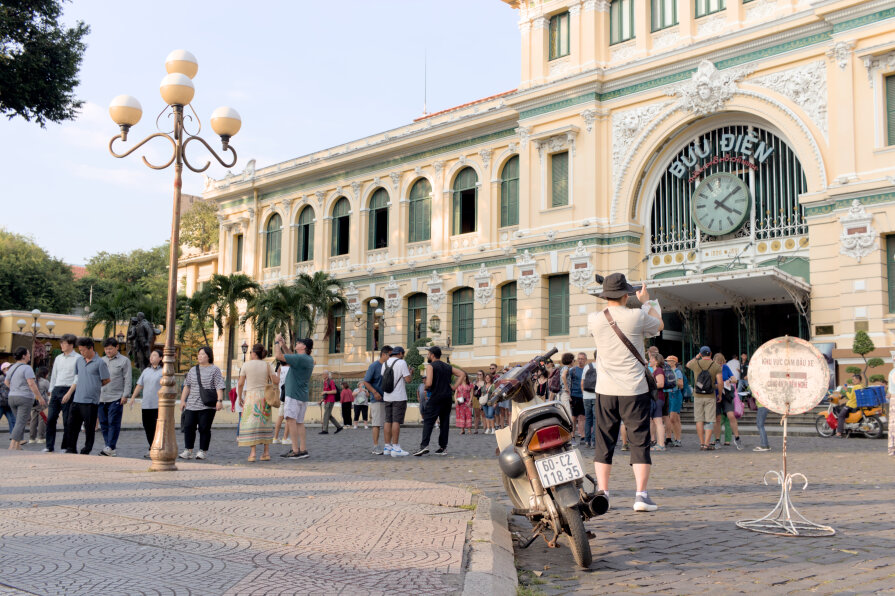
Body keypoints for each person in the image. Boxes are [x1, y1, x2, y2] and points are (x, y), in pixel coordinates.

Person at [589, 273, 663, 512]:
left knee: (604, 441)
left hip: (605, 389)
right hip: (634, 389)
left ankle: (603, 493)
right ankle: (641, 496)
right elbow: (659, 325)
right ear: (626, 294)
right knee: (639, 441)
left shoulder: (594, 319)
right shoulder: (637, 315)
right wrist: (647, 302)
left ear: (605, 295)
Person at [61, 337, 111, 454]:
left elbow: (106, 380)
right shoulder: (79, 361)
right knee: (72, 426)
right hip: (77, 399)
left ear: (90, 348)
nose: (81, 353)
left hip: (90, 401)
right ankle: (71, 448)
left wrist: (94, 385)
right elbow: (77, 377)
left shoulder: (100, 363)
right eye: (80, 350)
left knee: (89, 428)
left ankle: (86, 449)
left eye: (83, 350)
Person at [414, 346, 464, 456]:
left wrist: (426, 387)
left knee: (428, 421)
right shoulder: (447, 366)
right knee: (444, 422)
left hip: (436, 396)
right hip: (447, 397)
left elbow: (429, 383)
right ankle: (442, 447)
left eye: (428, 354)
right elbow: (462, 374)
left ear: (432, 355)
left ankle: (424, 446)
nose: (427, 356)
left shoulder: (430, 366)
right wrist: (454, 387)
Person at [178, 346, 225, 460]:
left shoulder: (215, 370)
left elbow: (219, 386)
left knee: (204, 428)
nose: (200, 356)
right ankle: (188, 450)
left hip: (207, 405)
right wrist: (183, 400)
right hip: (192, 404)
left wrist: (219, 401)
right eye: (199, 354)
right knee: (188, 426)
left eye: (203, 354)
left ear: (209, 356)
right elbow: (187, 386)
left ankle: (202, 451)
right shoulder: (193, 370)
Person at [237, 343, 278, 462]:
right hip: (264, 396)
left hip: (251, 396)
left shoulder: (246, 365)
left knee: (251, 423)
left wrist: (239, 397)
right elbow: (275, 380)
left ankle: (253, 453)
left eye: (250, 352)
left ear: (254, 353)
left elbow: (240, 384)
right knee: (265, 422)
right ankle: (266, 452)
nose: (250, 354)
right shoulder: (267, 365)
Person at [274, 334, 314, 459]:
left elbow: (278, 356)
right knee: (299, 423)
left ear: (304, 346)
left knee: (291, 420)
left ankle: (295, 450)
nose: (296, 344)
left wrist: (276, 343)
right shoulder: (307, 359)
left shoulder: (301, 358)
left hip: (293, 394)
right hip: (302, 395)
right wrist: (284, 345)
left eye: (298, 343)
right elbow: (291, 357)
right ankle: (303, 449)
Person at [4, 347, 47, 450]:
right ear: (23, 356)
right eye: (28, 353)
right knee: (20, 421)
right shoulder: (27, 368)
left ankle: (18, 445)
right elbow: (31, 384)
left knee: (19, 421)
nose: (29, 355)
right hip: (24, 398)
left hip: (12, 397)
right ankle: (12, 445)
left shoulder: (12, 368)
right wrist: (39, 397)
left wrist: (15, 389)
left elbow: (6, 382)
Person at [44, 334, 79, 452]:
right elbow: (54, 376)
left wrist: (69, 393)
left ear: (71, 345)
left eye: (64, 343)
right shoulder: (58, 358)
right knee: (50, 419)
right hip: (56, 390)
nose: (62, 345)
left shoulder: (78, 358)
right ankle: (49, 446)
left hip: (69, 390)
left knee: (67, 421)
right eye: (61, 343)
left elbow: (77, 378)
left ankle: (66, 446)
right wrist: (50, 393)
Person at [98, 337, 132, 457]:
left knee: (113, 422)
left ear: (117, 347)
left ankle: (110, 446)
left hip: (116, 397)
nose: (108, 351)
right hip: (101, 397)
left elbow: (127, 379)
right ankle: (108, 446)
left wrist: (125, 395)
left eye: (110, 349)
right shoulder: (101, 361)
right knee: (103, 422)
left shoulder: (124, 361)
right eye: (106, 349)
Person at [686, 347, 723, 451]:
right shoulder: (716, 366)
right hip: (710, 396)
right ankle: (707, 444)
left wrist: (697, 357)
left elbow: (687, 364)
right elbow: (720, 382)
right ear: (711, 353)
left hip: (697, 395)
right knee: (710, 420)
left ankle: (701, 443)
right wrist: (719, 394)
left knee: (699, 419)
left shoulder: (695, 364)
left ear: (701, 354)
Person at [129, 349, 163, 458]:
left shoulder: (164, 371)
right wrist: (133, 397)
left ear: (160, 358)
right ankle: (151, 446)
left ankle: (156, 448)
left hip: (158, 405)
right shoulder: (146, 371)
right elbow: (139, 385)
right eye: (151, 355)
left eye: (154, 355)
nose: (151, 357)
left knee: (156, 428)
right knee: (147, 427)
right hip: (146, 404)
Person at [383, 346, 412, 457]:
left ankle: (387, 447)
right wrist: (410, 372)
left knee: (387, 420)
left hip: (387, 396)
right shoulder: (401, 363)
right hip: (399, 396)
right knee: (396, 421)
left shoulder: (385, 363)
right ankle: (396, 447)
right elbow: (408, 379)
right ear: (400, 353)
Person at [362, 346, 391, 455]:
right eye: (390, 355)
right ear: (384, 354)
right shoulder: (374, 366)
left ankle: (388, 445)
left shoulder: (390, 366)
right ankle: (375, 446)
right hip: (378, 399)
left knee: (388, 424)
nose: (391, 357)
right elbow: (366, 382)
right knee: (377, 424)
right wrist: (374, 392)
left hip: (389, 398)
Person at [713, 353, 742, 449]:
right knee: (718, 418)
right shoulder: (712, 369)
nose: (720, 365)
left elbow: (734, 379)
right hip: (716, 395)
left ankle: (737, 438)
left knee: (731, 416)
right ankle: (717, 439)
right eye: (718, 363)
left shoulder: (725, 368)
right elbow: (710, 383)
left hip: (727, 396)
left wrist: (729, 381)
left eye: (721, 363)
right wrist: (718, 385)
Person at [648, 353, 667, 452]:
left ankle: (661, 444)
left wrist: (649, 386)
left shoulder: (658, 370)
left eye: (651, 359)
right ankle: (660, 443)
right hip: (656, 398)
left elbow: (661, 384)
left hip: (658, 398)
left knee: (658, 422)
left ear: (656, 360)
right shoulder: (656, 371)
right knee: (657, 422)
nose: (649, 360)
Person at [836, 373, 864, 438]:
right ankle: (847, 429)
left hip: (851, 405)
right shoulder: (862, 386)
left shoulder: (855, 387)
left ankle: (839, 432)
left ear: (858, 380)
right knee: (843, 406)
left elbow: (850, 397)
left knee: (840, 415)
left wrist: (846, 391)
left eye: (853, 379)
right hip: (856, 404)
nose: (852, 381)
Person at [664, 355, 684, 447]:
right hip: (668, 394)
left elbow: (681, 385)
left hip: (675, 394)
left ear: (675, 362)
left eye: (670, 361)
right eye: (667, 361)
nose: (668, 363)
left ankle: (678, 439)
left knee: (673, 418)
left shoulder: (678, 371)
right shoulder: (666, 371)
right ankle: (675, 438)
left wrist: (672, 382)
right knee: (674, 419)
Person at [27, 366, 50, 445]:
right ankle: (41, 437)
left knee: (33, 420)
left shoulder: (33, 380)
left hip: (33, 402)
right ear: (45, 374)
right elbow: (49, 391)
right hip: (42, 402)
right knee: (42, 420)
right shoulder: (45, 382)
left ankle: (32, 438)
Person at [569, 353, 587, 445]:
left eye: (582, 359)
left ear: (585, 360)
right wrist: (569, 395)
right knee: (573, 417)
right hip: (574, 396)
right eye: (579, 359)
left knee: (582, 417)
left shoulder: (587, 369)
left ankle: (583, 436)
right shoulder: (573, 370)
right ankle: (572, 436)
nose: (580, 360)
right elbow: (568, 383)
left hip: (584, 396)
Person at [581, 350, 597, 449]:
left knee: (588, 419)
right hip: (596, 396)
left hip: (586, 396)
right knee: (596, 420)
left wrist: (584, 394)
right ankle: (594, 442)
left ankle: (587, 441)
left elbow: (582, 383)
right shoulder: (602, 366)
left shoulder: (588, 366)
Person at [273, 361, 290, 444]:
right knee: (289, 418)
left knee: (280, 417)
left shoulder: (278, 370)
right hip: (289, 396)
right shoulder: (290, 369)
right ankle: (285, 438)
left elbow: (276, 382)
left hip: (281, 396)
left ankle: (275, 438)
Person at [0, 362, 14, 434]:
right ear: (3, 369)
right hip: (1, 402)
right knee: (12, 420)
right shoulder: (1, 378)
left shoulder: (12, 378)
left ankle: (14, 438)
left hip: (9, 403)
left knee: (12, 420)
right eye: (8, 368)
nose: (10, 369)